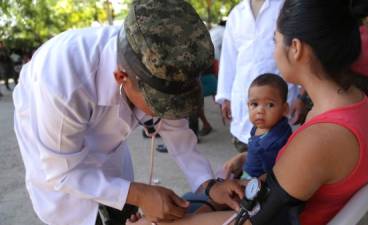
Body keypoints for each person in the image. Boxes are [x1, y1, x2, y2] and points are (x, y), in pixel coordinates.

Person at [128, 0, 368, 224]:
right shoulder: (356, 103)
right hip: (285, 208)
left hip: (278, 218)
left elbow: (250, 220)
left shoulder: (322, 136)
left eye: (275, 41)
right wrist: (244, 163)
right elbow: (289, 180)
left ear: (295, 48)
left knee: (181, 207)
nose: (275, 51)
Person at [13, 1, 245, 225]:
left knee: (121, 203)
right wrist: (140, 194)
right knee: (78, 209)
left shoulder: (162, 58)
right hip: (55, 154)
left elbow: (179, 134)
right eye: (162, 104)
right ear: (121, 77)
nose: (169, 114)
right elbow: (62, 172)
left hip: (102, 148)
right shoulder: (62, 81)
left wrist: (208, 184)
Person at [215, 0, 300, 153]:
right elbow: (228, 58)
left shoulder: (285, 7)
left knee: (275, 154)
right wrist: (225, 96)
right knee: (245, 153)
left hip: (276, 98)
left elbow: (297, 53)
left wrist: (300, 94)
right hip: (244, 98)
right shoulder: (237, 14)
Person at [223, 73, 292, 179]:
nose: (260, 111)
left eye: (270, 105)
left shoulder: (272, 143)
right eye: (254, 104)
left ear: (285, 109)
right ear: (248, 105)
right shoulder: (261, 126)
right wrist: (244, 157)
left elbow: (272, 177)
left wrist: (243, 184)